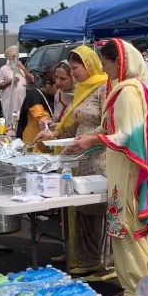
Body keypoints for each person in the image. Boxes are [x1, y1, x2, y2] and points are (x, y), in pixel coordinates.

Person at [66, 38, 148, 296]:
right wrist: (91, 138)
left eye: (107, 63)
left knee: (128, 228)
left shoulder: (128, 91)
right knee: (121, 228)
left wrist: (93, 140)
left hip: (128, 171)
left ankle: (137, 291)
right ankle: (133, 287)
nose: (104, 69)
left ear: (120, 62)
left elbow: (129, 136)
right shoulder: (124, 89)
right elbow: (114, 129)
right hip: (120, 168)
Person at [34, 45, 110, 276]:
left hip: (101, 155)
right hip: (82, 157)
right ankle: (88, 259)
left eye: (76, 68)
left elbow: (109, 125)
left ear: (89, 66)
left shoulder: (104, 88)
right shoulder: (82, 89)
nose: (73, 73)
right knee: (85, 210)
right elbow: (73, 122)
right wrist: (55, 134)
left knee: (101, 209)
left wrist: (88, 137)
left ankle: (104, 261)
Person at [16, 70, 56, 150]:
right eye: (57, 87)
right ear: (48, 84)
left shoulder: (54, 97)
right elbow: (39, 114)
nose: (59, 90)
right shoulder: (34, 95)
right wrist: (46, 120)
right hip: (31, 142)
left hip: (45, 142)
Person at [0, 46, 34, 130]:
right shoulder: (4, 69)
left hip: (22, 103)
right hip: (10, 104)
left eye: (17, 56)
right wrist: (11, 81)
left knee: (22, 124)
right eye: (14, 56)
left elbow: (32, 80)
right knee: (11, 126)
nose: (16, 58)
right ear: (9, 57)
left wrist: (23, 68)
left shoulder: (21, 69)